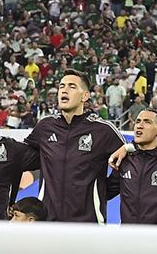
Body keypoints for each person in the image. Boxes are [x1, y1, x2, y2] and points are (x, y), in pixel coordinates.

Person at [24, 72, 128, 223]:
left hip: (87, 225)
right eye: (61, 87)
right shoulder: (45, 126)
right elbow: (24, 157)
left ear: (84, 96)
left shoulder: (103, 130)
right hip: (47, 223)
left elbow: (129, 163)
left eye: (72, 87)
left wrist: (102, 192)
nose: (64, 90)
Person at [105, 110, 157, 225]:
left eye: (147, 122)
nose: (140, 126)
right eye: (138, 121)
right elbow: (105, 193)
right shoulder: (125, 159)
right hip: (127, 237)